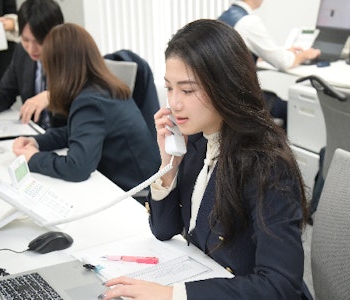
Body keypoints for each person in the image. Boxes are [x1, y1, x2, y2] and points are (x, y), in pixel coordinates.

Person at [100, 19, 312, 300]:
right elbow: (164, 230)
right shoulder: (198, 139)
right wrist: (169, 165)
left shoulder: (267, 165)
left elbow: (279, 286)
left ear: (225, 86)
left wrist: (174, 295)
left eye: (187, 90)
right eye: (169, 88)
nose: (174, 103)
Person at [12, 23, 160, 193]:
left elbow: (77, 167)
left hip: (137, 196)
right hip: (141, 182)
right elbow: (78, 131)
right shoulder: (103, 87)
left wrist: (33, 158)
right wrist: (37, 142)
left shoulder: (90, 101)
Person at [218, 0, 321, 130]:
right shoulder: (248, 22)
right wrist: (307, 54)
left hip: (225, 98)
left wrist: (284, 52)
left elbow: (234, 56)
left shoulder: (225, 18)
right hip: (241, 102)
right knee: (289, 109)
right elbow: (284, 62)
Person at [0, 0, 65, 129]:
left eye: (39, 41)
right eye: (25, 40)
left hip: (65, 140)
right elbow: (5, 91)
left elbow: (85, 96)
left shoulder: (73, 56)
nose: (31, 48)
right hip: (33, 134)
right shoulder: (22, 52)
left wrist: (52, 96)